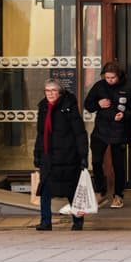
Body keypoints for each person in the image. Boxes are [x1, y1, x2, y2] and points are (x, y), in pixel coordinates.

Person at [83, 60, 131, 209]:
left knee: (118, 165)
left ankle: (118, 195)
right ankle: (100, 191)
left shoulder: (128, 88)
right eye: (107, 78)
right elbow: (88, 105)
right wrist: (98, 104)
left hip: (120, 130)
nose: (109, 81)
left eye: (112, 78)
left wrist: (124, 115)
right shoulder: (99, 86)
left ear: (118, 76)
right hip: (101, 130)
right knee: (96, 161)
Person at [33, 79, 88, 231]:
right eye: (47, 91)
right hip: (48, 156)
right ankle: (45, 221)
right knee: (45, 189)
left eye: (53, 91)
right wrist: (37, 154)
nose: (50, 94)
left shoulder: (69, 107)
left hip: (67, 155)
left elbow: (79, 133)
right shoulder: (43, 107)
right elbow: (40, 133)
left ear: (60, 92)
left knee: (71, 190)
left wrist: (83, 155)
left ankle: (77, 220)